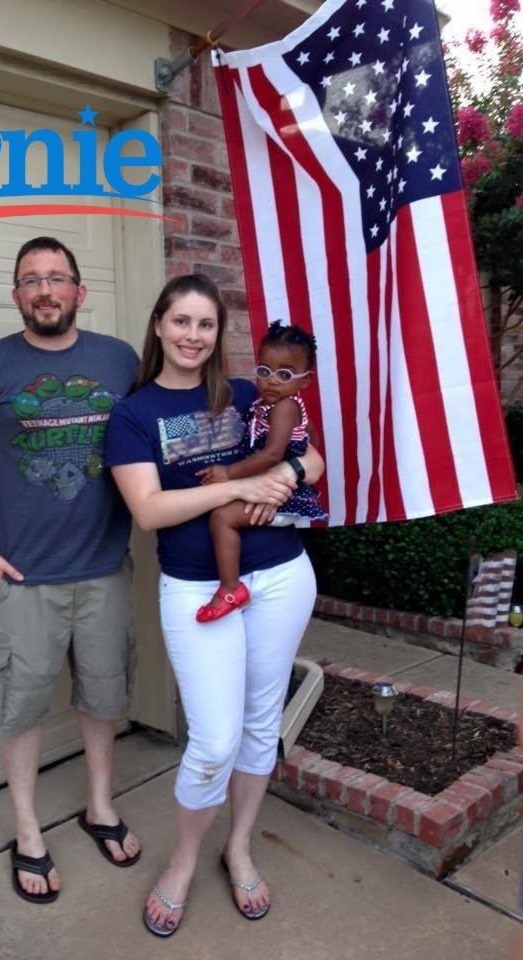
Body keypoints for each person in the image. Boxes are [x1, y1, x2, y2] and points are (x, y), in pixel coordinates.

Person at [105, 274, 323, 936]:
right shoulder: (134, 415)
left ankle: (239, 846)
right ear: (159, 325)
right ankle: (184, 861)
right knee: (213, 740)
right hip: (199, 587)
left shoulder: (251, 393)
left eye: (205, 324)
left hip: (280, 576)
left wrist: (284, 475)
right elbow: (149, 511)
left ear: (217, 332)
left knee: (260, 724)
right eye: (181, 321)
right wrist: (237, 487)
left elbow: (313, 462)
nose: (193, 336)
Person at [0, 236, 141, 906]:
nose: (45, 290)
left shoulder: (119, 360)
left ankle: (99, 805)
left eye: (57, 278)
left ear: (79, 291)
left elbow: (156, 432)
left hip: (104, 566)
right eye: (31, 280)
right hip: (23, 577)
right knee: (19, 707)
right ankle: (27, 830)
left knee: (103, 696)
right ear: (17, 296)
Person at [195, 319, 326, 623]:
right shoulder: (267, 406)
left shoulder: (285, 407)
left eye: (285, 374)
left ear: (305, 381)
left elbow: (272, 454)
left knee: (222, 517)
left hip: (283, 496)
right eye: (264, 371)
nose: (272, 381)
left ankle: (230, 589)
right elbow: (311, 435)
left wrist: (228, 473)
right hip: (272, 487)